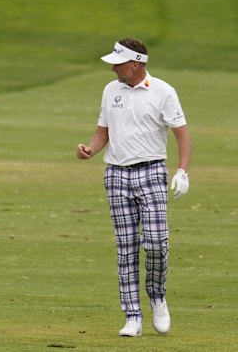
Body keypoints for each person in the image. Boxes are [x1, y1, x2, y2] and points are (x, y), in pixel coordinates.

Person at [76, 38, 191, 337]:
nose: (113, 68)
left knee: (155, 243)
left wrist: (182, 171)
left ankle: (157, 297)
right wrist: (90, 149)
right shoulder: (110, 90)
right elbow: (104, 131)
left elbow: (182, 134)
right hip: (116, 175)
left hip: (151, 171)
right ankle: (132, 316)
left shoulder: (163, 92)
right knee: (126, 248)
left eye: (118, 63)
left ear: (136, 64)